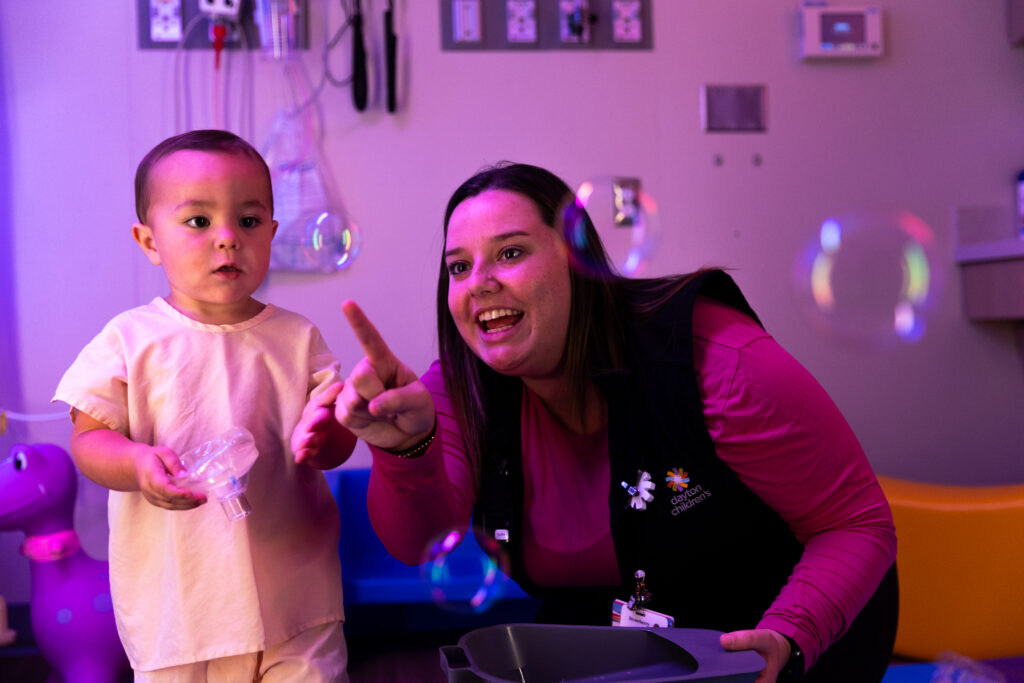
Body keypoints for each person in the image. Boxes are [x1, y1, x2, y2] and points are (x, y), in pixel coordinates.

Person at [335, 162, 899, 683]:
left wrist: (789, 637)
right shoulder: (458, 391)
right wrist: (404, 450)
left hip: (787, 643)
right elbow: (418, 543)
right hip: (635, 652)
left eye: (509, 253)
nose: (479, 281)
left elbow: (856, 524)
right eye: (459, 266)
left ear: (578, 260)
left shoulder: (716, 361)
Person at [52, 129, 356, 682]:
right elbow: (89, 438)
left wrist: (330, 434)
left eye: (247, 221)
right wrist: (137, 465)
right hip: (182, 611)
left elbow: (335, 443)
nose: (227, 239)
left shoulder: (297, 338)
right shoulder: (130, 339)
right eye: (198, 221)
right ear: (149, 241)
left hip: (297, 599)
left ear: (271, 231)